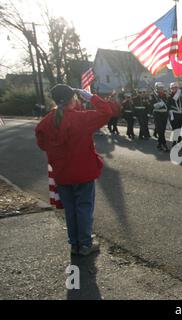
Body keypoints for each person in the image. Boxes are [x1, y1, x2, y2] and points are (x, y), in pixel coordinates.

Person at [35, 85, 112, 256]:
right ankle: (85, 244)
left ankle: (74, 243)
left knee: (70, 209)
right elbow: (106, 111)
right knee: (84, 208)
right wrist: (91, 97)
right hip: (83, 172)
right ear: (73, 99)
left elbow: (41, 143)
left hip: (62, 173)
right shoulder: (80, 119)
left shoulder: (47, 121)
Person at [151, 82, 170, 152]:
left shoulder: (165, 95)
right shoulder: (153, 95)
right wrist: (158, 104)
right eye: (160, 88)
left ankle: (159, 144)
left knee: (163, 130)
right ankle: (164, 144)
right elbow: (151, 105)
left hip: (164, 114)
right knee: (160, 129)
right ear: (157, 88)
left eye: (162, 88)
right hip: (157, 114)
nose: (161, 89)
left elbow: (168, 103)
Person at [168, 82, 182, 147]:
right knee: (175, 128)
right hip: (173, 114)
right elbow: (170, 103)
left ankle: (179, 138)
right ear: (171, 89)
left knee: (179, 128)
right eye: (173, 88)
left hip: (180, 114)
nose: (174, 89)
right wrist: (176, 95)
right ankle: (175, 141)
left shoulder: (180, 96)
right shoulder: (169, 96)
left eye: (176, 88)